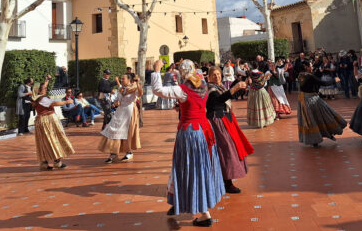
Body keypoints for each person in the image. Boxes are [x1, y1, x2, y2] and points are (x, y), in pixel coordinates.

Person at [150, 59, 225, 227]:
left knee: (189, 168)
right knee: (201, 167)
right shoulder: (203, 85)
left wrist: (156, 71)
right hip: (205, 130)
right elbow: (198, 104)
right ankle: (179, 201)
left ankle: (204, 213)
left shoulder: (183, 89)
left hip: (190, 133)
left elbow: (157, 90)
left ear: (182, 73)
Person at [206, 65, 252, 193]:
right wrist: (235, 88)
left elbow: (229, 96)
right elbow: (219, 99)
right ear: (209, 77)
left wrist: (242, 86)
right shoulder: (210, 89)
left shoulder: (219, 87)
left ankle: (225, 181)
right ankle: (226, 183)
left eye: (218, 74)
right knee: (225, 150)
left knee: (229, 149)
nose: (217, 77)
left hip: (225, 121)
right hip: (216, 123)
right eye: (214, 75)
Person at [297, 62, 347, 147]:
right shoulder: (310, 76)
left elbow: (313, 79)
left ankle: (316, 139)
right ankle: (328, 132)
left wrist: (319, 72)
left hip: (303, 100)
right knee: (326, 114)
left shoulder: (300, 75)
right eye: (311, 65)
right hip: (312, 99)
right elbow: (322, 83)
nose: (312, 66)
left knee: (313, 118)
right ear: (306, 67)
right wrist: (334, 80)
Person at [33, 75, 75, 170]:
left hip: (41, 120)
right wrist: (67, 102)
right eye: (44, 88)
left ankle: (44, 163)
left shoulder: (35, 98)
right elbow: (54, 104)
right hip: (48, 120)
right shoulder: (43, 99)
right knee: (53, 138)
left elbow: (40, 87)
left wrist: (46, 80)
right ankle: (57, 162)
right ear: (39, 91)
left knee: (43, 141)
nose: (45, 89)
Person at [99, 72, 143, 163]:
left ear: (129, 80)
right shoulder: (121, 89)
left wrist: (138, 83)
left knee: (127, 132)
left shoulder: (134, 88)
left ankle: (129, 152)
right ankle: (113, 153)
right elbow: (117, 99)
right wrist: (116, 103)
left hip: (129, 111)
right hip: (120, 112)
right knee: (114, 130)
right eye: (121, 79)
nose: (122, 80)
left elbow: (140, 93)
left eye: (123, 78)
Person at [246, 62, 275, 128]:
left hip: (253, 91)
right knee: (263, 106)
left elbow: (248, 81)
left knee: (256, 107)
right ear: (258, 66)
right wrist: (267, 77)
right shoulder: (261, 74)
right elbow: (264, 83)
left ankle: (258, 123)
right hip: (261, 91)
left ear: (252, 66)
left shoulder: (249, 73)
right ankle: (265, 121)